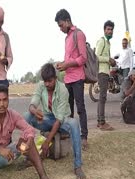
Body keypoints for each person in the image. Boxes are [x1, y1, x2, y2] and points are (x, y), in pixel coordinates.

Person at [24, 63, 86, 179]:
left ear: (55, 79)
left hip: (62, 121)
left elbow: (59, 119)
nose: (47, 84)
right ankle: (28, 157)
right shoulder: (41, 86)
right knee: (27, 116)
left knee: (74, 123)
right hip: (48, 119)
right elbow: (33, 103)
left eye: (50, 81)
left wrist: (47, 142)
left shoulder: (63, 89)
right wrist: (34, 110)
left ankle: (77, 165)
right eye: (45, 81)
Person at [54, 9, 89, 151]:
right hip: (68, 78)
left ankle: (84, 137)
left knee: (80, 108)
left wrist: (67, 64)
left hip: (78, 78)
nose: (61, 29)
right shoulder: (67, 37)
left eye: (61, 25)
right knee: (68, 110)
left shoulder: (78, 34)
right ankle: (70, 134)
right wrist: (63, 64)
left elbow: (83, 58)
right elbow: (70, 58)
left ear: (68, 21)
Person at [96, 20, 116, 130]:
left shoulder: (108, 43)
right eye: (108, 29)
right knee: (102, 97)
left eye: (111, 29)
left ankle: (100, 121)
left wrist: (111, 61)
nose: (110, 31)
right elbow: (96, 57)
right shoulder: (102, 41)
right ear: (104, 30)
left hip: (105, 72)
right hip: (102, 72)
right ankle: (101, 122)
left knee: (102, 97)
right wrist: (108, 59)